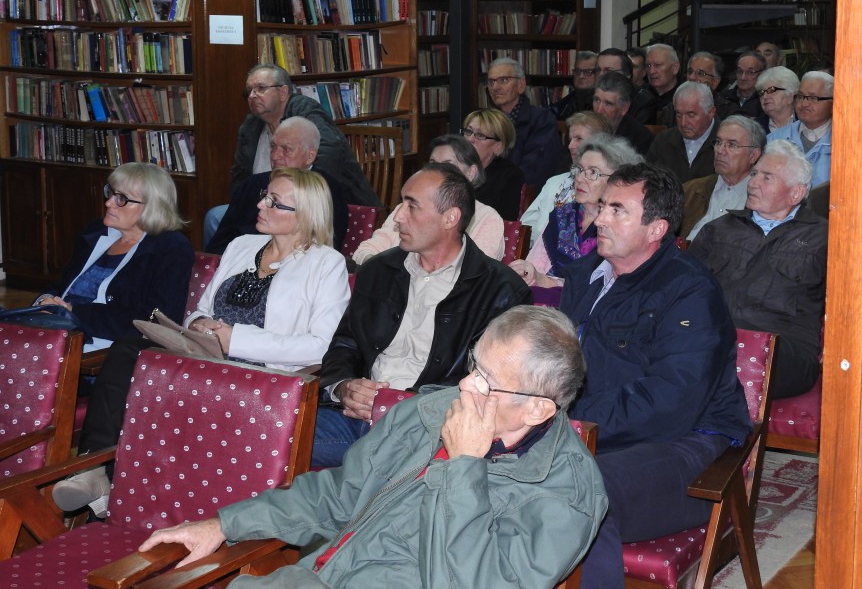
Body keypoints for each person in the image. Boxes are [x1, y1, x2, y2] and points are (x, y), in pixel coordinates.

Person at [138, 306, 608, 589]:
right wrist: (224, 524)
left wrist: (464, 466)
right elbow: (338, 496)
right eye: (473, 364)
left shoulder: (565, 495)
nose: (466, 385)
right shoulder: (427, 413)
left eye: (488, 381)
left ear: (537, 411)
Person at [51, 168, 349, 515]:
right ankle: (93, 467)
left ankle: (130, 487)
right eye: (265, 195)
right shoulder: (242, 246)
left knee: (161, 388)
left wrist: (233, 339)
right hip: (207, 358)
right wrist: (202, 324)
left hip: (260, 377)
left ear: (306, 215)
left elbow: (319, 347)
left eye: (274, 202)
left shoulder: (326, 265)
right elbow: (200, 310)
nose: (260, 204)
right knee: (130, 350)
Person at [558, 163, 751, 589]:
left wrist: (572, 427)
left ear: (655, 229)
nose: (600, 218)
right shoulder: (588, 276)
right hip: (594, 431)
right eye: (603, 205)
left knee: (581, 490)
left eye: (617, 210)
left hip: (691, 445)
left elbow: (670, 403)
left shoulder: (689, 291)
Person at [312, 163, 531, 467]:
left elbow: (487, 380)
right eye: (401, 203)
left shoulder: (502, 290)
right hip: (353, 417)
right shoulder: (378, 270)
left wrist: (399, 404)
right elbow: (344, 345)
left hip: (429, 429)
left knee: (356, 468)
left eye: (411, 206)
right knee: (272, 433)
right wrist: (344, 387)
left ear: (450, 218)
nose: (398, 216)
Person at [689, 140, 827, 398]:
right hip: (716, 336)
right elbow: (686, 290)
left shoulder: (824, 238)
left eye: (767, 177)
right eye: (754, 174)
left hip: (785, 346)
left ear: (796, 193)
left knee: (722, 359)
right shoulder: (718, 230)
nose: (752, 183)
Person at [206, 64, 380, 244]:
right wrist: (245, 199)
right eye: (249, 91)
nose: (252, 95)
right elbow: (239, 171)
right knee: (216, 218)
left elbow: (329, 150)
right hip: (260, 197)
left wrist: (301, 187)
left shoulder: (305, 111)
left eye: (261, 88)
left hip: (301, 200)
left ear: (283, 92)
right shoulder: (251, 125)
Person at [36, 162, 193, 351]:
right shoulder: (97, 232)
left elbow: (155, 321)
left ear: (152, 207)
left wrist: (72, 312)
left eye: (122, 199)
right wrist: (44, 302)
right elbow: (62, 284)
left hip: (108, 345)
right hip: (57, 327)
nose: (109, 202)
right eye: (111, 192)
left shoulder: (170, 248)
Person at [510, 134, 641, 288]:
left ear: (618, 181)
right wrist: (527, 272)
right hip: (545, 300)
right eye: (579, 169)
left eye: (593, 172)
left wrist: (547, 282)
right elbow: (535, 264)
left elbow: (609, 287)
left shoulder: (621, 226)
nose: (579, 178)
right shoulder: (561, 215)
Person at [206, 116, 352, 254]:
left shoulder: (325, 190)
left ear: (310, 155)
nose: (275, 156)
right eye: (273, 146)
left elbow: (326, 246)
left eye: (286, 149)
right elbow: (221, 241)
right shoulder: (251, 184)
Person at [352, 134, 504, 264]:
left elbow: (476, 273)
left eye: (447, 165)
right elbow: (366, 250)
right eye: (432, 164)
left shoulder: (487, 218)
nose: (436, 171)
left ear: (471, 173)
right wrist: (377, 268)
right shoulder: (405, 208)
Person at [520, 111, 611, 248]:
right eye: (570, 139)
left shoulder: (609, 186)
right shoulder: (554, 183)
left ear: (600, 143)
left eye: (579, 139)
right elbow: (525, 227)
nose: (570, 146)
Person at [682, 115, 765, 240]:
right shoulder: (691, 190)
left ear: (753, 155)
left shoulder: (762, 198)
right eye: (718, 142)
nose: (720, 150)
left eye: (732, 145)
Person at [484, 57, 561, 186]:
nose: (495, 87)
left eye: (503, 80)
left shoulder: (542, 120)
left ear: (521, 85)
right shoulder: (486, 122)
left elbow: (534, 170)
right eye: (491, 82)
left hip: (521, 195)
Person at [645, 81, 719, 185]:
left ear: (710, 112)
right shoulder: (663, 141)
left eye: (691, 115)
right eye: (679, 115)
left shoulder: (728, 144)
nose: (683, 123)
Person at [768, 70, 833, 187]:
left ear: (833, 103)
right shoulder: (773, 140)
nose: (804, 104)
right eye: (801, 96)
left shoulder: (845, 145)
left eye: (813, 98)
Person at [461, 108, 525, 221]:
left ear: (498, 146)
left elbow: (504, 222)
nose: (470, 139)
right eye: (468, 132)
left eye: (480, 135)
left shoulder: (510, 176)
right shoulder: (452, 166)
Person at [592, 71, 654, 154]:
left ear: (624, 108)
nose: (599, 110)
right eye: (597, 100)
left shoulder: (640, 138)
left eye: (608, 104)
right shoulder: (583, 128)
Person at [631, 43, 680, 124]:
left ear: (675, 67)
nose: (651, 71)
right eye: (648, 65)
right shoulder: (638, 95)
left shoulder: (684, 96)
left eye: (658, 65)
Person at [551, 50, 599, 120]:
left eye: (588, 72)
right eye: (577, 71)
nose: (581, 76)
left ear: (597, 74)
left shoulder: (601, 104)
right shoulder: (563, 105)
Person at [722, 50, 767, 120]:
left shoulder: (766, 100)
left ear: (761, 74)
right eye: (740, 71)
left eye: (750, 72)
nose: (743, 77)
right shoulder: (724, 98)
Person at [755, 66, 800, 133]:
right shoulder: (754, 129)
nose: (765, 96)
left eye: (772, 90)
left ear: (791, 96)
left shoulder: (807, 122)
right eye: (762, 92)